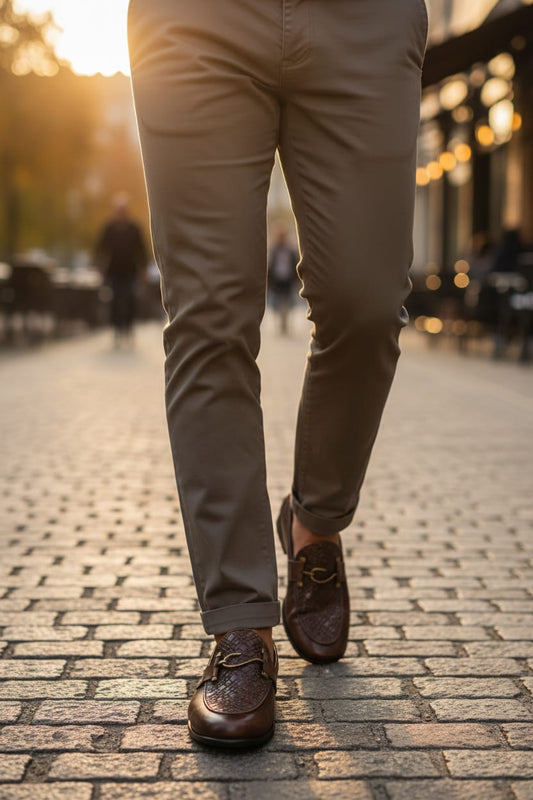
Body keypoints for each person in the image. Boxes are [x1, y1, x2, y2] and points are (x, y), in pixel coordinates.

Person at [128, 0, 427, 748]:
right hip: (196, 21)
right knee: (207, 318)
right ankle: (239, 628)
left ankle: (314, 523)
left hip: (363, 19)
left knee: (366, 305)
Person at [96, 194, 148, 347]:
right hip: (114, 271)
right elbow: (101, 248)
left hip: (130, 271)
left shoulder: (134, 228)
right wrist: (98, 266)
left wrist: (143, 270)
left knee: (130, 299)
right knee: (114, 301)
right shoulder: (109, 228)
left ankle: (129, 328)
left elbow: (141, 250)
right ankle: (117, 330)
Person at [268, 224, 300, 334]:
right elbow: (271, 265)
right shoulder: (274, 250)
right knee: (278, 302)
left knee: (287, 302)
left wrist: (296, 279)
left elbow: (295, 264)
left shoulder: (290, 251)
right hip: (277, 279)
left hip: (288, 279)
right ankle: (281, 323)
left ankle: (285, 323)